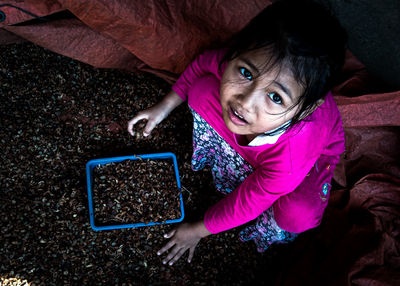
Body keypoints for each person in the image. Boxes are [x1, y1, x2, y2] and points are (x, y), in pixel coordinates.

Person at [127, 0, 347, 266]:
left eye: (275, 97)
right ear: (235, 53)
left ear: (305, 109)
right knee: (200, 91)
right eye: (245, 73)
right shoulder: (252, 60)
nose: (246, 101)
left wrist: (197, 231)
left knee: (298, 212)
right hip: (265, 146)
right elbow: (201, 66)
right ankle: (240, 154)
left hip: (303, 161)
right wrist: (164, 107)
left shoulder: (291, 158)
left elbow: (247, 204)